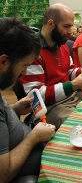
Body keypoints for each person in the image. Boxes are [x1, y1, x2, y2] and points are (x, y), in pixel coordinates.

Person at [19, 3, 82, 129]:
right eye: (66, 26)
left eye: (71, 26)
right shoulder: (32, 52)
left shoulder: (61, 44)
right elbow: (36, 95)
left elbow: (69, 72)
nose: (71, 32)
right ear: (51, 24)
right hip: (49, 108)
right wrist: (73, 85)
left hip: (70, 97)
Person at [0, 17, 56, 183]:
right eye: (24, 65)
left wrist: (15, 109)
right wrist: (34, 138)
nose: (24, 73)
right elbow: (2, 176)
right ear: (3, 61)